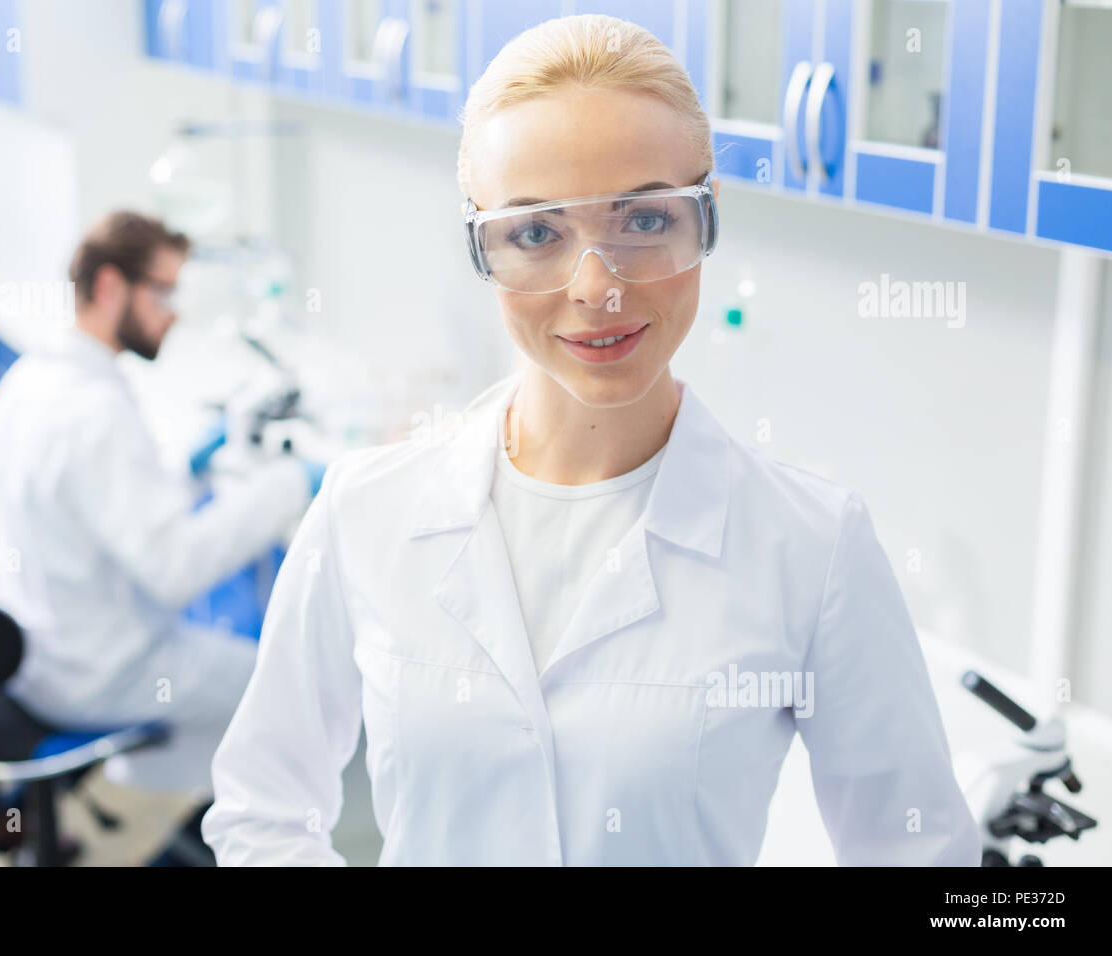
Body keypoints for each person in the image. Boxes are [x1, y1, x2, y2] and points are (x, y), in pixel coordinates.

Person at [203, 15, 981, 866]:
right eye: (536, 234)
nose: (597, 288)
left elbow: (921, 857)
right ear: (480, 245)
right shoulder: (366, 510)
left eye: (644, 221)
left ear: (706, 221)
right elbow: (261, 812)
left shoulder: (812, 546)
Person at [0, 211, 318, 864]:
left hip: (34, 649)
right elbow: (175, 570)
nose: (173, 314)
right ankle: (190, 854)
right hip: (103, 669)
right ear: (111, 287)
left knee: (262, 695)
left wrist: (182, 471)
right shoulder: (96, 411)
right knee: (292, 697)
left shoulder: (34, 381)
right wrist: (290, 483)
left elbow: (85, 507)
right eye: (162, 294)